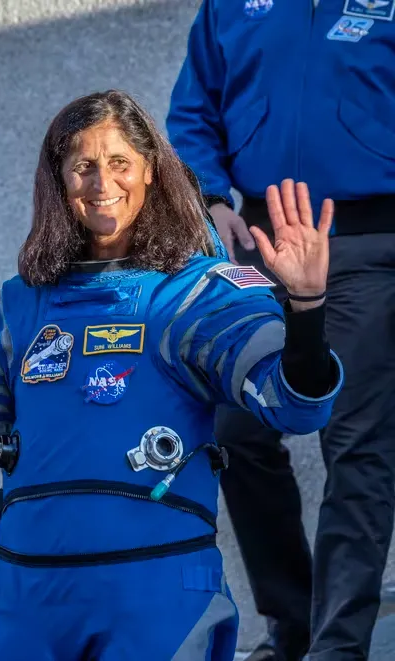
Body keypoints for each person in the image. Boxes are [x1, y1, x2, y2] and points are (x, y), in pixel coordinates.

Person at [0, 89, 344, 661]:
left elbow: (296, 406)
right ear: (59, 181)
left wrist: (306, 306)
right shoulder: (11, 312)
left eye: (120, 162)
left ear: (151, 171)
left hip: (158, 597)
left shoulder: (197, 296)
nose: (102, 183)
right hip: (28, 605)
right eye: (84, 166)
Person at [166, 2, 395, 658]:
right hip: (258, 244)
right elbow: (194, 110)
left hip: (370, 242)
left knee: (356, 447)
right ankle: (292, 626)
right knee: (238, 432)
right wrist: (208, 196)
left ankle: (338, 647)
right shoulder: (231, 6)